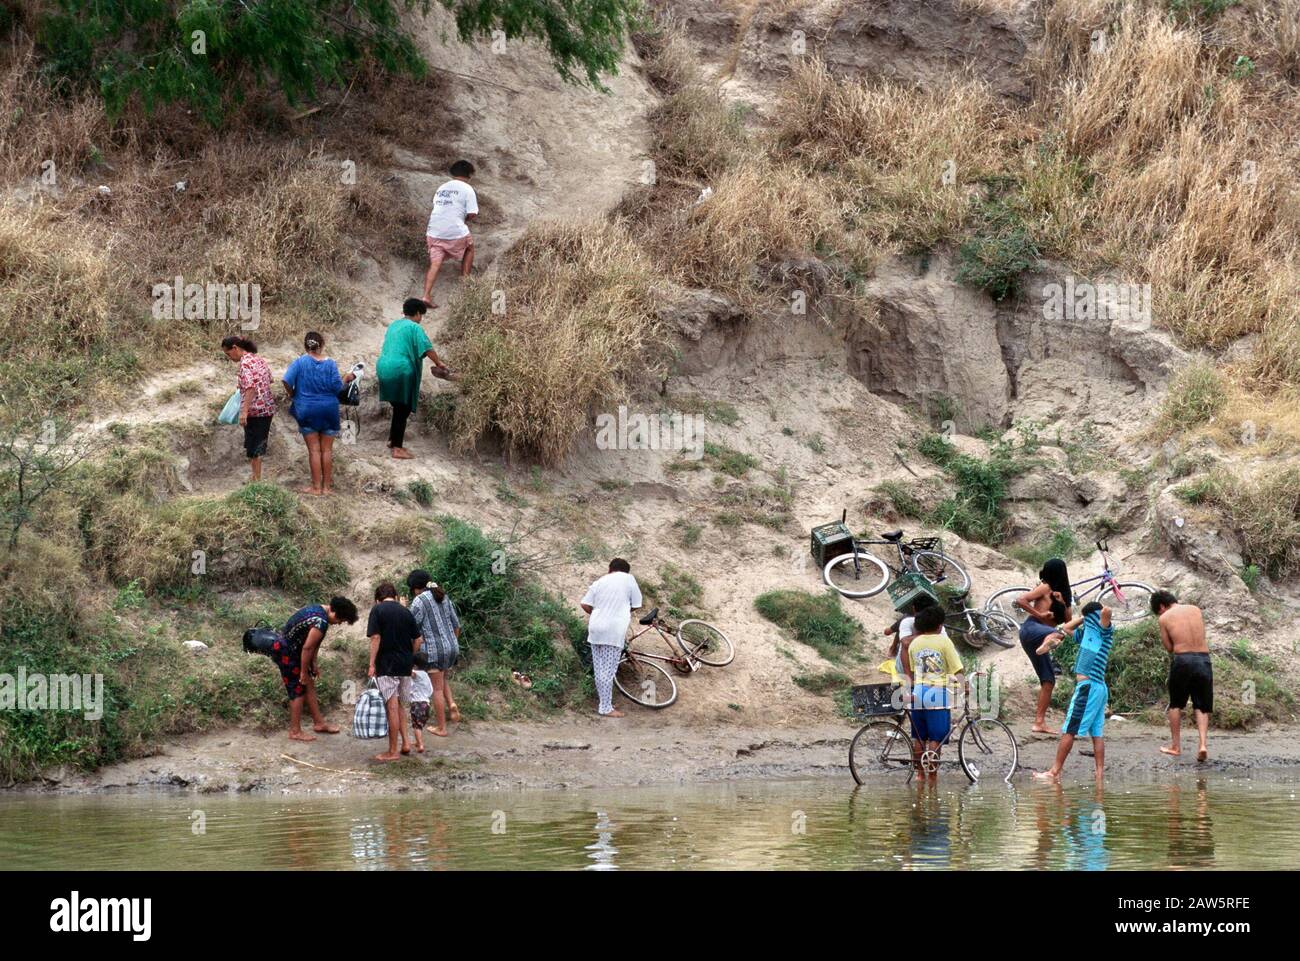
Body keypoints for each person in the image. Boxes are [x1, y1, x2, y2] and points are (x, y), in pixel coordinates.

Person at [1034, 603, 1113, 782]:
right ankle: (1099, 774)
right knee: (1097, 732)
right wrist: (1084, 617)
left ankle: (1054, 772)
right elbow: (1066, 627)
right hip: (1099, 688)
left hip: (1088, 687)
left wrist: (1096, 613)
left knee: (1069, 729)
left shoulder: (1103, 631)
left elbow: (1107, 610)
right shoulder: (1086, 634)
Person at [275, 596, 359, 742]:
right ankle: (295, 731)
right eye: (341, 620)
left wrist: (313, 663)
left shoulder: (319, 610)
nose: (339, 624)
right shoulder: (321, 622)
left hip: (294, 650)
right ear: (335, 613)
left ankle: (319, 723)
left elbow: (314, 644)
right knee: (298, 689)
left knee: (309, 685)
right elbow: (307, 647)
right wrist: (302, 672)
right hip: (288, 652)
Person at [375, 298, 451, 460]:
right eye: (421, 315)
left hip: (383, 367)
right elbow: (427, 348)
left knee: (398, 406)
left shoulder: (394, 325)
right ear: (417, 313)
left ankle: (392, 440)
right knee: (403, 408)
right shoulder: (414, 327)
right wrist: (439, 363)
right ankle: (397, 448)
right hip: (401, 369)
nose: (421, 318)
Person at [281, 331, 355, 496]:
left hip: (307, 408)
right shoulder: (330, 364)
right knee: (327, 450)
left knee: (314, 450)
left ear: (306, 345)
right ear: (321, 345)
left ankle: (316, 488)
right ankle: (327, 488)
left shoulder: (299, 362)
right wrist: (346, 378)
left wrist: (292, 394)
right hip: (329, 409)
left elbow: (285, 380)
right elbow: (338, 388)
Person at [902, 604, 966, 778]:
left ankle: (920, 776)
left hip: (919, 692)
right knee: (935, 739)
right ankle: (932, 777)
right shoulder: (944, 642)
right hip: (938, 694)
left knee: (919, 738)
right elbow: (957, 669)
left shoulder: (915, 643)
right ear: (940, 625)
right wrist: (965, 687)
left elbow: (915, 670)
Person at [1152, 591, 1213, 763]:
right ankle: (1202, 745)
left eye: (1159, 611)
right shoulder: (1195, 609)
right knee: (1201, 705)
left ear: (1162, 606)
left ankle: (1176, 746)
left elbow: (1169, 648)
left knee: (1176, 704)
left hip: (1183, 660)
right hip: (1203, 659)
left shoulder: (1164, 618)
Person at [1015, 558, 1073, 733]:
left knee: (1048, 681)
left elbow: (1068, 622)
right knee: (1058, 634)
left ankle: (1039, 723)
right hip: (1031, 629)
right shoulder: (1045, 587)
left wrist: (1062, 603)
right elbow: (1021, 600)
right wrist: (1040, 615)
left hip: (1043, 638)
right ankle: (1050, 640)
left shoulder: (1063, 595)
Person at [579, 558, 643, 718]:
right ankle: (605, 708)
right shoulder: (629, 579)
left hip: (595, 629)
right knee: (607, 672)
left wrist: (599, 613)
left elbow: (584, 604)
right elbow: (636, 604)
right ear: (626, 571)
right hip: (613, 631)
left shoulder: (600, 581)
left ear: (610, 569)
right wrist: (621, 610)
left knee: (600, 670)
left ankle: (604, 704)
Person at [366, 582, 423, 762]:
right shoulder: (405, 611)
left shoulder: (378, 610)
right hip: (405, 665)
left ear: (377, 599)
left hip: (387, 664)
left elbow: (375, 637)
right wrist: (409, 656)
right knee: (400, 706)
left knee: (391, 705)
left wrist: (371, 664)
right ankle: (405, 743)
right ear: (396, 597)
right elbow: (418, 640)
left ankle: (392, 751)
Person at [406, 569, 462, 736]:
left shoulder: (419, 601)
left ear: (416, 587)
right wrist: (452, 643)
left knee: (436, 689)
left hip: (433, 650)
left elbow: (409, 626)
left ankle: (442, 728)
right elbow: (456, 625)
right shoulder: (443, 596)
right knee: (442, 677)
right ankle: (451, 703)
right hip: (451, 647)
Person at [421, 159, 478, 305]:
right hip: (454, 230)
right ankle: (465, 282)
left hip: (433, 231)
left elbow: (437, 205)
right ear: (470, 174)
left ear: (453, 173)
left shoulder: (442, 187)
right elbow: (472, 213)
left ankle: (426, 296)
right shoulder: (467, 189)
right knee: (469, 248)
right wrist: (463, 219)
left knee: (435, 263)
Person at [221, 335, 275, 482]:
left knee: (254, 448)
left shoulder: (245, 364)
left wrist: (244, 411)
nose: (229, 357)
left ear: (235, 348)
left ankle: (256, 481)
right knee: (258, 444)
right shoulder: (258, 359)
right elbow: (270, 379)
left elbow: (250, 388)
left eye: (228, 353)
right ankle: (254, 478)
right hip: (267, 408)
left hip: (255, 411)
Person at [887, 594, 949, 679]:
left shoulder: (938, 627)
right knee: (906, 644)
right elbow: (905, 642)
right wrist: (929, 633)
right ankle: (909, 677)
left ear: (914, 608)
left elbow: (945, 646)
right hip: (911, 669)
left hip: (927, 668)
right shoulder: (908, 622)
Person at [406, 651, 435, 754]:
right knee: (420, 725)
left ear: (415, 665)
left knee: (416, 726)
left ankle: (420, 744)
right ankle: (418, 742)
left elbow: (409, 672)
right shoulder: (426, 676)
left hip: (417, 704)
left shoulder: (417, 674)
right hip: (426, 704)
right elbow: (431, 691)